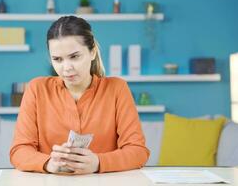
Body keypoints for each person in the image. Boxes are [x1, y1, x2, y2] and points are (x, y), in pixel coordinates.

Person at [10, 16, 149, 174]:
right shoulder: (37, 89)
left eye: (74, 57)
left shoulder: (117, 88)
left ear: (92, 52)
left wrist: (98, 163)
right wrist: (49, 164)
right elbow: (19, 151)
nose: (66, 68)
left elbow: (138, 151)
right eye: (57, 59)